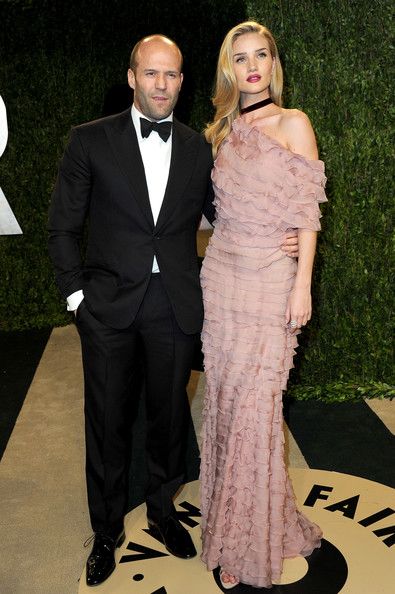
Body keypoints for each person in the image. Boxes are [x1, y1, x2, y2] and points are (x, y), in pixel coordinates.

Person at [48, 33, 298, 587]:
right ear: (133, 76)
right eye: (152, 74)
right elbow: (63, 226)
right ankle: (107, 529)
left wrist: (285, 234)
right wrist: (77, 298)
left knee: (168, 421)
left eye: (173, 75)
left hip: (176, 306)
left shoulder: (197, 147)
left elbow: (232, 209)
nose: (162, 84)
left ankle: (163, 512)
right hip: (107, 308)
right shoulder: (89, 140)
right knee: (108, 423)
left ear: (183, 82)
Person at [200, 21, 327, 589]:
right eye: (241, 57)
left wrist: (302, 283)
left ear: (273, 63)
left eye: (262, 55)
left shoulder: (293, 123)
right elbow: (217, 213)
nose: (252, 66)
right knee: (227, 403)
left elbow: (307, 210)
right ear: (230, 68)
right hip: (222, 279)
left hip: (271, 281)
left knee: (257, 408)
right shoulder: (222, 131)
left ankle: (246, 546)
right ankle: (234, 526)